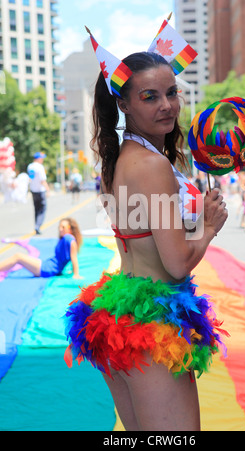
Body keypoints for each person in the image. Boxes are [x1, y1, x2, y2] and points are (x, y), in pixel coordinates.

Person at [64, 31, 228, 432]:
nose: (168, 105)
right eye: (150, 97)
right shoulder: (152, 166)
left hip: (117, 318)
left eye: (172, 92)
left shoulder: (121, 157)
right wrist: (207, 228)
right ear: (124, 104)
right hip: (153, 329)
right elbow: (175, 265)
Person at [0, 218, 82, 279]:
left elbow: (73, 257)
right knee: (19, 257)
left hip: (48, 269)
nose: (60, 229)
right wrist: (72, 271)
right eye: (59, 227)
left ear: (70, 229)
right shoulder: (66, 239)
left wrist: (76, 274)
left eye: (63, 227)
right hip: (47, 266)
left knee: (18, 256)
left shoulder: (69, 238)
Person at [27, 152, 50, 235]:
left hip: (33, 191)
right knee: (42, 209)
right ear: (38, 159)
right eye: (42, 158)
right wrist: (48, 189)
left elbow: (30, 178)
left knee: (36, 209)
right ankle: (38, 226)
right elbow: (42, 180)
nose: (42, 160)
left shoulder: (30, 166)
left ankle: (36, 225)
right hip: (40, 191)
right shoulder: (39, 167)